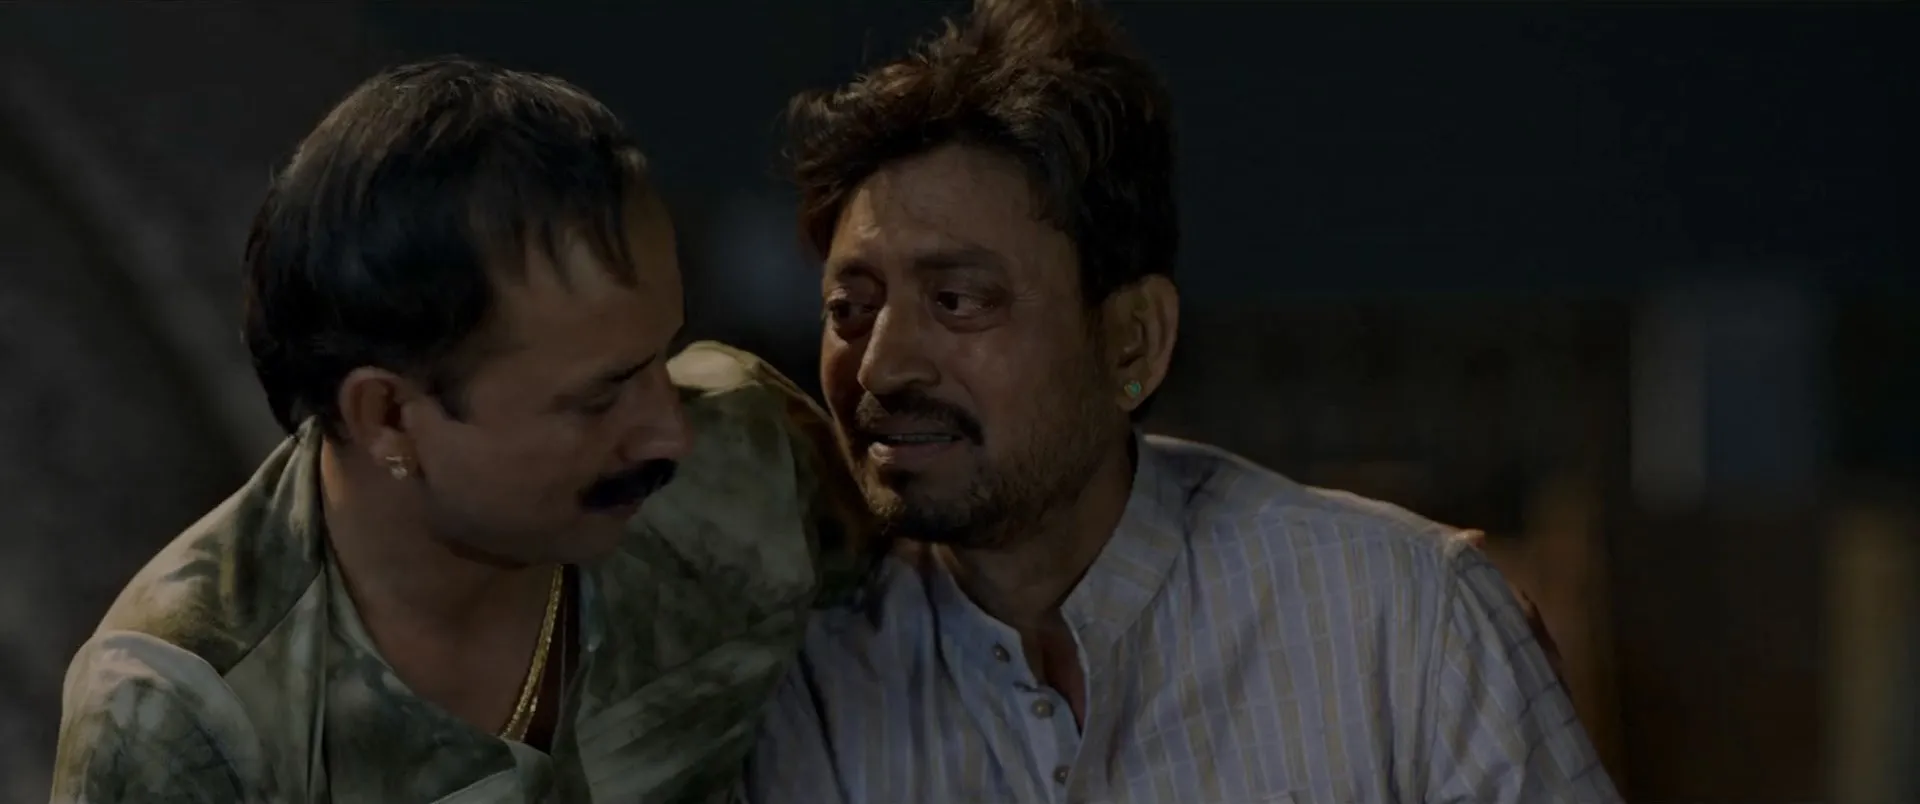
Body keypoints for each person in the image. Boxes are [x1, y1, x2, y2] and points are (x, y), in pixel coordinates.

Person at [745, 1, 1617, 802]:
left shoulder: (1404, 626)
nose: (881, 367)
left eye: (957, 300)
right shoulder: (794, 680)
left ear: (1133, 341)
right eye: (848, 309)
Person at [50, 58, 869, 803]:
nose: (670, 435)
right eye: (599, 396)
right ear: (388, 416)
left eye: (662, 356)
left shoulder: (753, 461)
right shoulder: (185, 715)